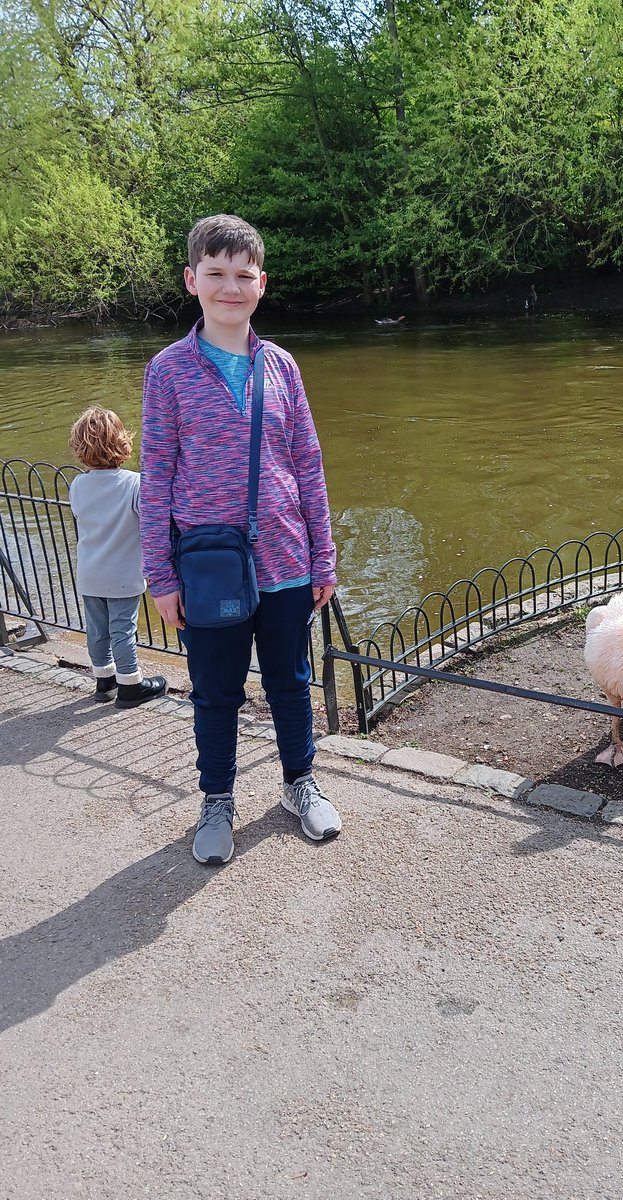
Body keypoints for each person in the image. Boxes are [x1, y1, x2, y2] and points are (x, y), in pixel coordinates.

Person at [139, 213, 341, 866]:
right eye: (216, 273)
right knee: (216, 691)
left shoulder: (281, 366)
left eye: (243, 275)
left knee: (289, 680)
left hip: (285, 558)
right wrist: (161, 578)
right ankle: (217, 798)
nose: (231, 286)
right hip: (209, 567)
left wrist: (324, 556)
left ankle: (299, 783)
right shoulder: (168, 371)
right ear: (192, 279)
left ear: (261, 285)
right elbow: (158, 477)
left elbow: (306, 462)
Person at [68, 407, 168, 709]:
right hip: (122, 574)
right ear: (123, 444)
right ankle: (130, 685)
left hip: (89, 572)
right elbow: (149, 524)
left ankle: (104, 681)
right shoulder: (134, 484)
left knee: (97, 631)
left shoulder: (78, 485)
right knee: (123, 631)